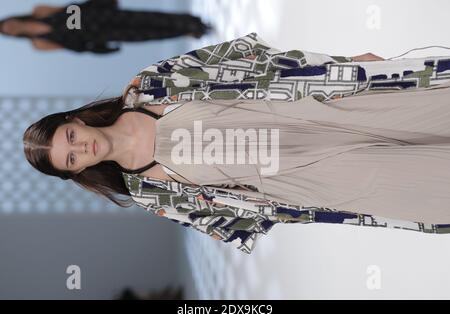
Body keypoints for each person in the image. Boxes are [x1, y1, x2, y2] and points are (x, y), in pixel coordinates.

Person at [23, 33, 450, 254]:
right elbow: (230, 223)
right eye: (71, 159)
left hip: (318, 108)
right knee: (434, 187)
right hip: (312, 180)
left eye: (71, 138)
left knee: (435, 104)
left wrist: (342, 65)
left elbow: (245, 59)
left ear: (73, 119)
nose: (82, 149)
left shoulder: (150, 85)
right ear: (76, 172)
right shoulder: (147, 193)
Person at [0, 0, 212, 54]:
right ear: (11, 35)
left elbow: (68, 10)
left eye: (7, 24)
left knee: (145, 18)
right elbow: (71, 46)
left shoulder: (39, 11)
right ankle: (188, 30)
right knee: (144, 35)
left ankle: (190, 20)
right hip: (99, 34)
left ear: (12, 19)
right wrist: (95, 47)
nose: (10, 27)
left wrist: (96, 6)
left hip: (97, 17)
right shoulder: (38, 43)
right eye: (7, 31)